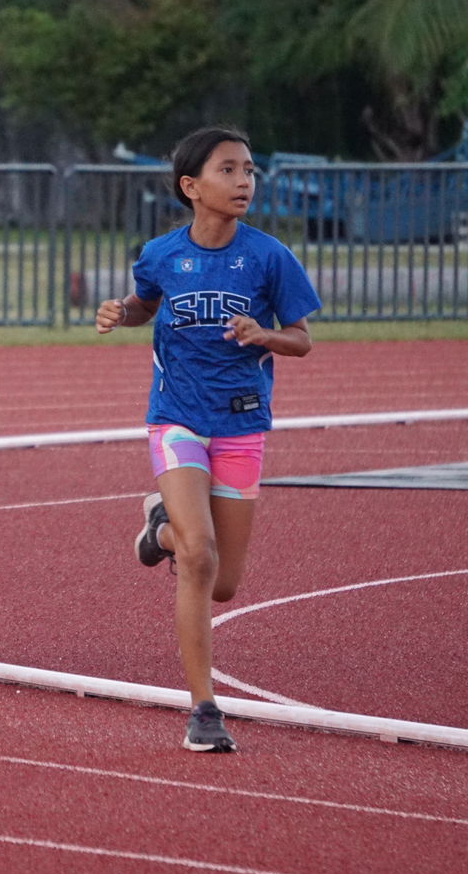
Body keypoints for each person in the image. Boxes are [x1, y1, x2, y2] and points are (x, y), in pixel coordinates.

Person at [94, 125, 319, 754]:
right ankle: (204, 708)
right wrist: (120, 311)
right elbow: (144, 304)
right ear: (192, 186)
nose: (244, 181)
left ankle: (158, 528)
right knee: (197, 559)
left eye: (249, 170)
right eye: (229, 170)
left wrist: (264, 335)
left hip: (242, 423)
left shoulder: (270, 257)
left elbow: (301, 338)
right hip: (176, 418)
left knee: (222, 581)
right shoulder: (161, 253)